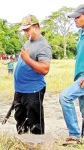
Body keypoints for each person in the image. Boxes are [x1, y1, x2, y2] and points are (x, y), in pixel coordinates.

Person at [13, 15, 52, 134]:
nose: (25, 32)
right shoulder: (28, 42)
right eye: (23, 30)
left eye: (27, 29)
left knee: (35, 124)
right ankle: (23, 143)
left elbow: (45, 69)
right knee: (20, 120)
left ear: (35, 27)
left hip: (33, 90)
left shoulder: (43, 45)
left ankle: (37, 144)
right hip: (20, 90)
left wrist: (26, 59)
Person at [59, 4, 84, 145]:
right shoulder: (81, 33)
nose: (75, 19)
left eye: (78, 17)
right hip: (79, 76)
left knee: (65, 97)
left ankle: (74, 135)